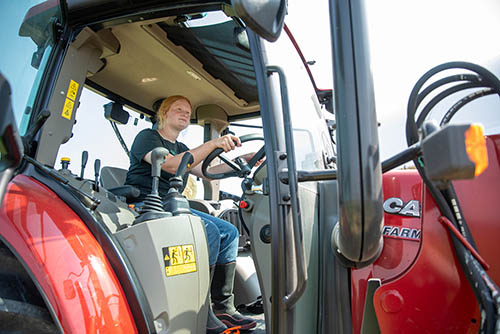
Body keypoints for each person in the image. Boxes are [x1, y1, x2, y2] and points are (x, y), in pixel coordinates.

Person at [125, 95, 257, 333]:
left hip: (174, 205)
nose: (186, 114)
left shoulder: (182, 148)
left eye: (188, 111)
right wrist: (213, 144)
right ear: (163, 114)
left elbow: (207, 171)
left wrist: (242, 160)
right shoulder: (147, 137)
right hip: (148, 204)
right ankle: (200, 307)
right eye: (179, 109)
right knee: (211, 232)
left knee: (228, 231)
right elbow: (170, 165)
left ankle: (223, 307)